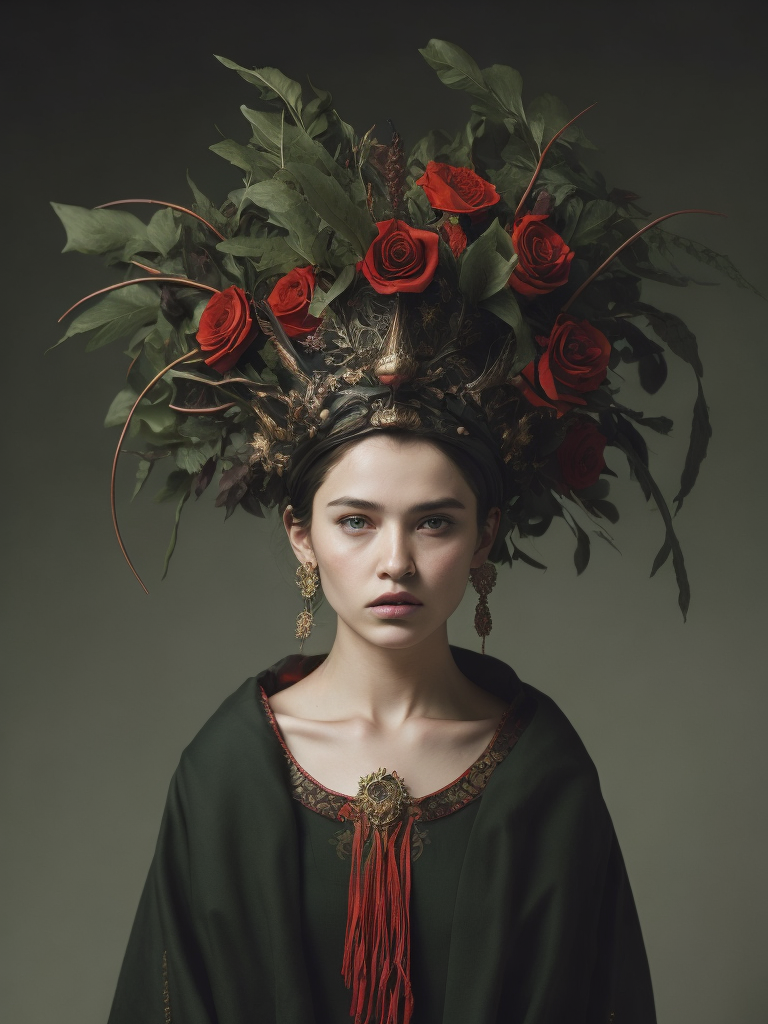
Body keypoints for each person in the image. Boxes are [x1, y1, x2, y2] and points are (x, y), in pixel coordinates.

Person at [53, 38, 735, 1024]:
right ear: (298, 532)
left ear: (488, 532)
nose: (395, 561)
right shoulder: (230, 771)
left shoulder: (543, 773)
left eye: (437, 522)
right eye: (356, 520)